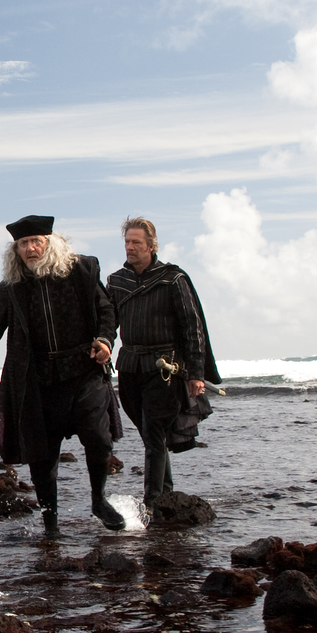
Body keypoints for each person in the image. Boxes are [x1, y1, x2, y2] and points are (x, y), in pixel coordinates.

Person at [0, 216, 124, 536]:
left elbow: (107, 310)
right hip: (38, 383)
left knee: (99, 439)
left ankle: (99, 500)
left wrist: (105, 340)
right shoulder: (12, 289)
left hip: (84, 374)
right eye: (22, 244)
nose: (29, 248)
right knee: (42, 459)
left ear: (50, 243)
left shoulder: (82, 271)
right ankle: (50, 524)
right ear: (15, 250)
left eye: (36, 241)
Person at [106, 216, 220, 520]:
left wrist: (196, 374)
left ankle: (152, 503)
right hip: (129, 367)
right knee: (149, 434)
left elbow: (193, 328)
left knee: (155, 431)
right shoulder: (117, 281)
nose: (130, 247)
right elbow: (107, 323)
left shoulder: (173, 279)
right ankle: (165, 492)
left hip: (165, 369)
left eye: (136, 243)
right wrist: (102, 347)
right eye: (127, 242)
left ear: (151, 246)